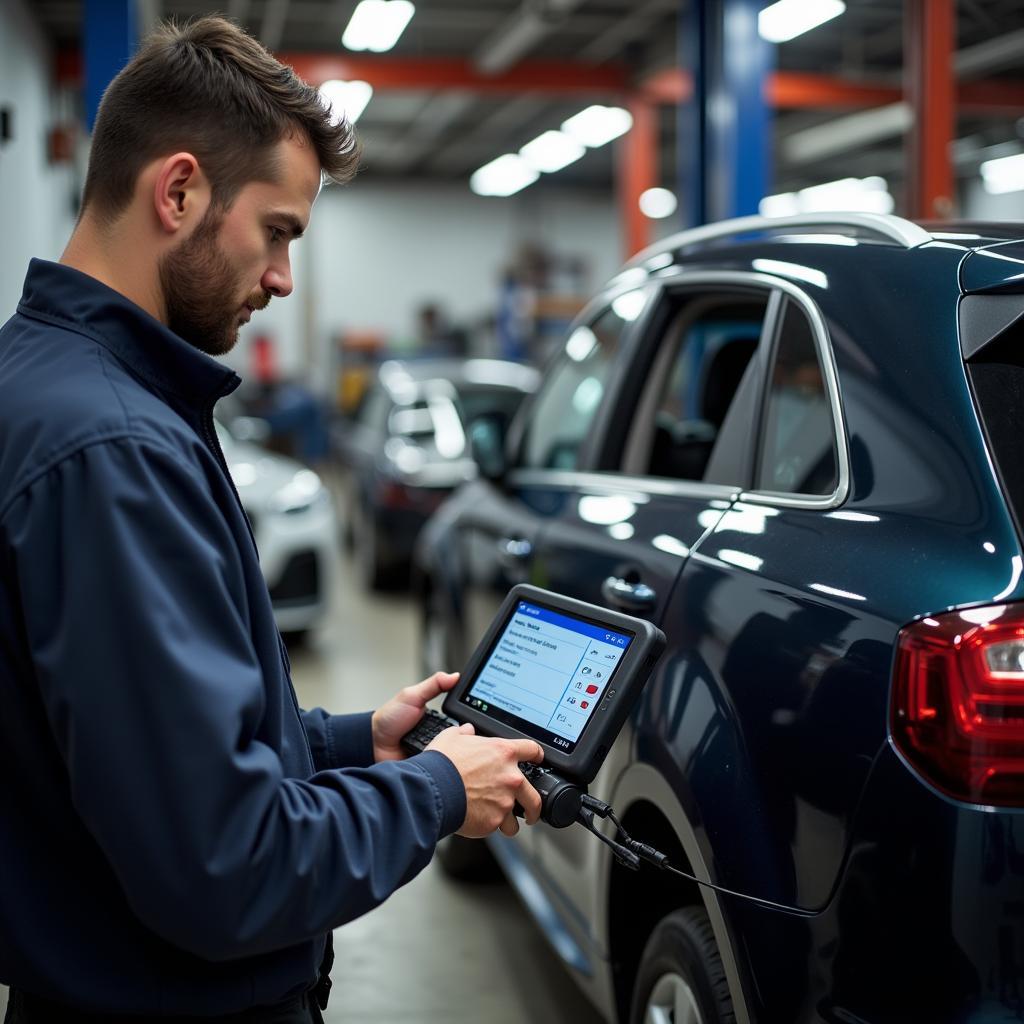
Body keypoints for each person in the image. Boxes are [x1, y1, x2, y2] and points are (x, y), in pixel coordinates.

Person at [0, 16, 543, 1024]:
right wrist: (431, 790)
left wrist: (346, 745)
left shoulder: (56, 383)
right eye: (279, 231)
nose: (285, 277)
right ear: (178, 192)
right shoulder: (113, 449)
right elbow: (224, 861)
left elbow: (141, 742)